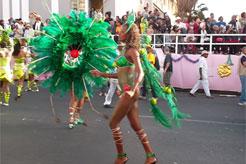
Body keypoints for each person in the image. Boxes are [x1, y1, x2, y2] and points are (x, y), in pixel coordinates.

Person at [91, 22, 157, 163]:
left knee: (113, 123)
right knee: (135, 125)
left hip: (129, 93)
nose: (119, 33)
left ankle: (121, 157)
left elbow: (141, 72)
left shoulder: (132, 51)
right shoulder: (125, 51)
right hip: (128, 92)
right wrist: (101, 74)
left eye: (121, 32)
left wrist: (133, 89)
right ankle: (150, 156)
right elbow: (120, 74)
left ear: (128, 34)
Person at [103, 43, 124, 108]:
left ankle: (107, 103)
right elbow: (113, 64)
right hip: (116, 73)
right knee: (122, 89)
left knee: (111, 89)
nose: (122, 47)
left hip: (115, 73)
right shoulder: (117, 53)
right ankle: (123, 104)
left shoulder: (119, 52)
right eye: (121, 46)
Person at [0, 30, 13, 106]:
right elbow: (12, 47)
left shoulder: (2, 51)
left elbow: (2, 54)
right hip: (7, 70)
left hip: (1, 70)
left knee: (2, 86)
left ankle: (1, 100)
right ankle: (6, 101)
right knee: (6, 86)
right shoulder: (9, 51)